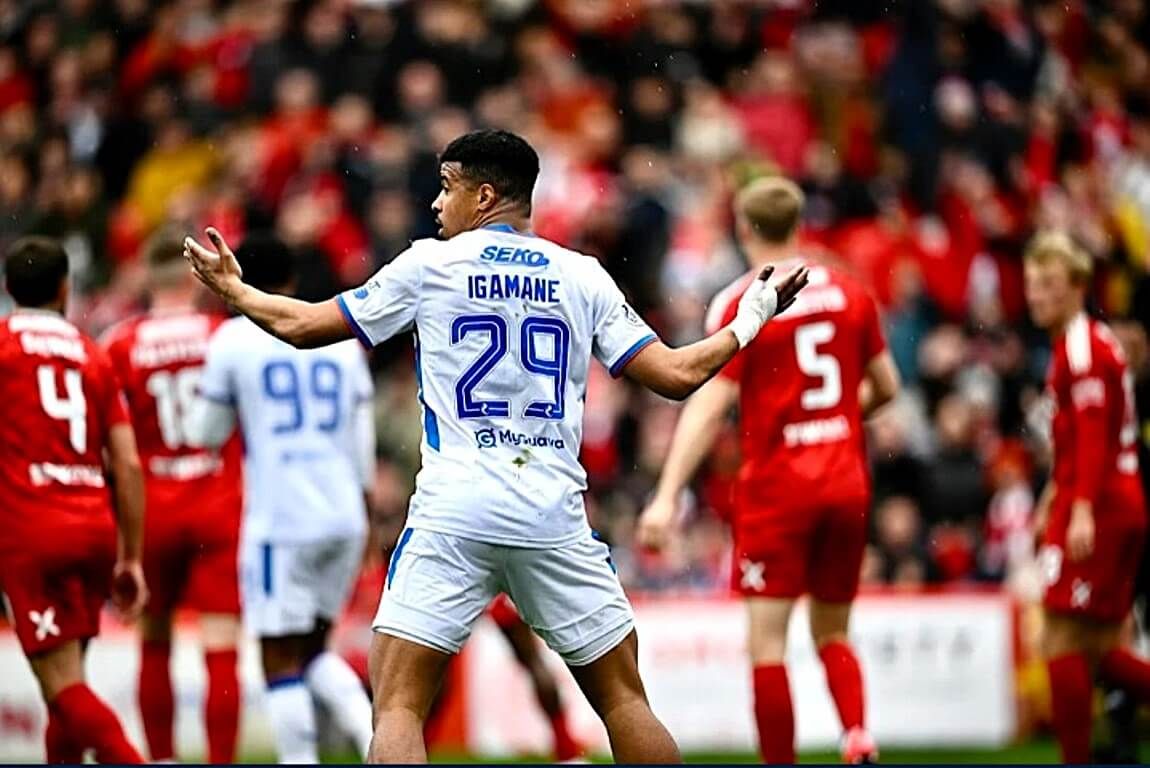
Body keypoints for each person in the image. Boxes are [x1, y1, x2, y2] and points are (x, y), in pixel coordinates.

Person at [183, 128, 809, 764]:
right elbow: (676, 375)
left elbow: (302, 326)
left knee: (398, 708)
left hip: (456, 508)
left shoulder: (429, 265)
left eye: (447, 187)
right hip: (552, 514)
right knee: (624, 701)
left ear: (483, 196)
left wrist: (235, 291)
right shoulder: (581, 275)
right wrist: (751, 317)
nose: (436, 203)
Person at [637, 177, 900, 765]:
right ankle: (857, 735)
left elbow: (708, 405)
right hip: (845, 481)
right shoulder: (850, 291)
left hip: (778, 488)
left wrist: (667, 494)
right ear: (799, 224)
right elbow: (887, 387)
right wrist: (834, 418)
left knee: (767, 645)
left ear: (743, 228)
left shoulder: (742, 301)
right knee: (834, 630)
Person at [186, 234, 377, 763]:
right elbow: (362, 442)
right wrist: (367, 518)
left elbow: (205, 432)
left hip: (281, 519)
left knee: (278, 660)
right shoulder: (338, 338)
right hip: (343, 515)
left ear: (236, 277)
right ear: (292, 278)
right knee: (313, 651)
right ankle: (378, 745)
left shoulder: (233, 339)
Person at [0, 236, 148, 763]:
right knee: (68, 686)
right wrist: (131, 556)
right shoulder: (92, 354)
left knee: (61, 684)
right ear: (65, 288)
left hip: (31, 529)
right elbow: (127, 463)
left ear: (8, 288)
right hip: (93, 529)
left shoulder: (3, 346)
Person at [101, 232, 244, 763]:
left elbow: (106, 437)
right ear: (193, 277)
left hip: (152, 507)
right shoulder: (222, 334)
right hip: (217, 501)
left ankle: (161, 758)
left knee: (154, 637)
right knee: (221, 641)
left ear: (147, 277)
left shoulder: (121, 343)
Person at [1023, 231, 1150, 764]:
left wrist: (1078, 512)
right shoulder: (1082, 342)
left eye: (1050, 284)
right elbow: (1076, 440)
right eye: (1033, 283)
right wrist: (1052, 497)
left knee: (1058, 638)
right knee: (1096, 648)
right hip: (1114, 500)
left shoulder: (1081, 348)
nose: (1037, 295)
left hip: (1101, 505)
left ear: (1078, 287)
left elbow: (1095, 436)